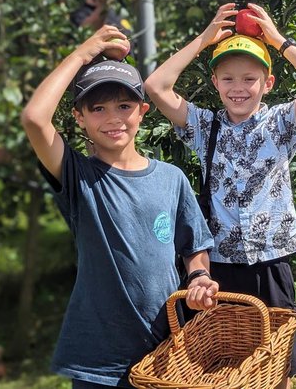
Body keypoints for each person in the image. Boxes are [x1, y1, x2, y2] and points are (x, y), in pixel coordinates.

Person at [20, 25, 219, 388]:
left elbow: (194, 246)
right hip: (99, 357)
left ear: (142, 111)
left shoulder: (171, 179)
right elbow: (35, 118)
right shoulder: (79, 177)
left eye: (124, 106)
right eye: (98, 108)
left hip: (166, 349)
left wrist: (199, 278)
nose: (113, 118)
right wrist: (83, 53)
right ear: (79, 117)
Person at [143, 3, 296, 389]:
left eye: (249, 78)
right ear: (215, 82)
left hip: (269, 262)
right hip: (219, 265)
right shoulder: (204, 127)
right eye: (228, 78)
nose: (238, 87)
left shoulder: (281, 123)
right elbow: (156, 87)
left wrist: (279, 41)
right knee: (220, 363)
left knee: (277, 363)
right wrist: (204, 39)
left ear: (268, 83)